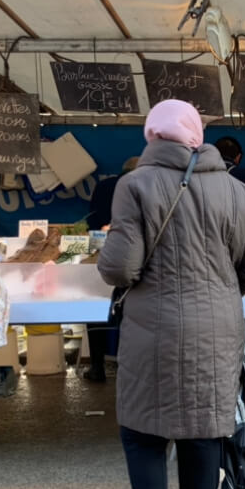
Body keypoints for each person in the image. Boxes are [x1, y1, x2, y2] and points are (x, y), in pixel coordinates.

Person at [98, 100, 245, 489]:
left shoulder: (133, 185)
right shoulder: (235, 189)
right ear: (196, 136)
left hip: (154, 328)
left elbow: (120, 267)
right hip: (218, 327)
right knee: (205, 428)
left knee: (144, 433)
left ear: (152, 135)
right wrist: (218, 293)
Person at [82, 156, 139, 383]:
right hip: (134, 257)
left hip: (101, 254)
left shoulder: (104, 186)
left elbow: (92, 219)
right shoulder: (143, 185)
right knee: (130, 312)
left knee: (95, 309)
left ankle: (97, 366)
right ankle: (129, 368)